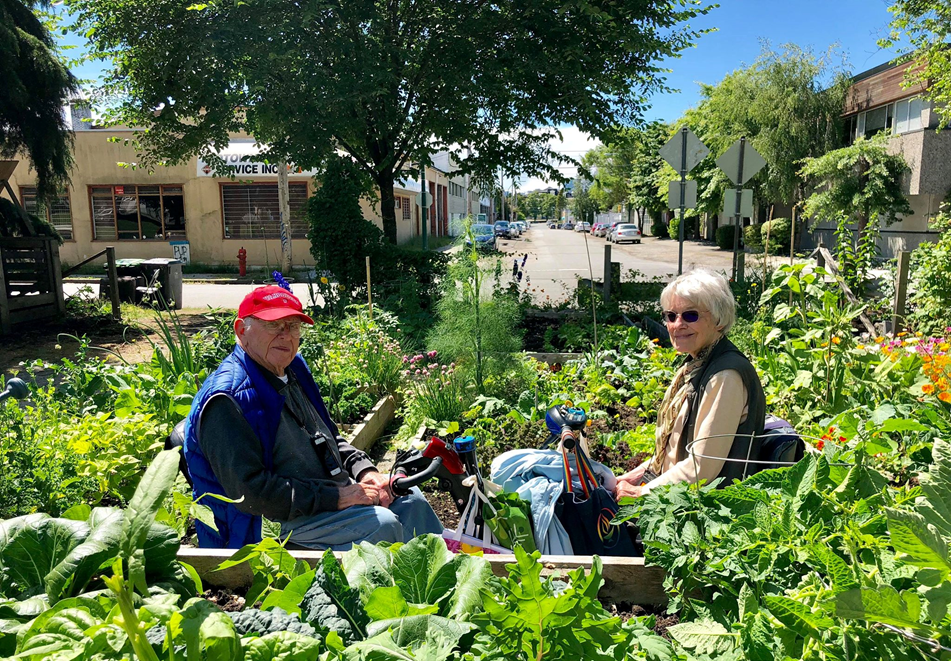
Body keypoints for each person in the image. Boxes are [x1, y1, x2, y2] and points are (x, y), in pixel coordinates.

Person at [183, 285, 443, 549]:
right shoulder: (227, 400)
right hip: (269, 524)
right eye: (275, 325)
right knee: (381, 525)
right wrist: (337, 497)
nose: (286, 336)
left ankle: (441, 586)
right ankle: (387, 588)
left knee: (412, 501)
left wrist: (365, 472)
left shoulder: (292, 368)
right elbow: (251, 494)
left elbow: (328, 436)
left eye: (293, 326)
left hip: (321, 497)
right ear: (242, 330)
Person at [615, 269, 765, 499]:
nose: (678, 324)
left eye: (690, 315)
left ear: (719, 319)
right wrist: (637, 474)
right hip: (676, 494)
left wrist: (641, 493)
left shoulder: (724, 376)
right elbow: (673, 447)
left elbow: (702, 467)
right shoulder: (698, 363)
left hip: (706, 511)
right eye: (671, 316)